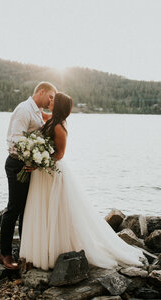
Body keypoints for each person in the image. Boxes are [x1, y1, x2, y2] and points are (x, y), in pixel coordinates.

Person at [19, 92, 145, 271]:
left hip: (52, 173)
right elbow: (37, 115)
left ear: (59, 105)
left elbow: (60, 154)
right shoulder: (51, 119)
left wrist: (39, 162)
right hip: (43, 173)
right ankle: (43, 248)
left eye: (53, 100)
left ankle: (58, 250)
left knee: (57, 212)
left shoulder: (59, 127)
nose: (50, 101)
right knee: (44, 208)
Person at [0, 81, 57, 269]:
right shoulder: (24, 110)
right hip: (18, 164)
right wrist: (32, 158)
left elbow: (56, 118)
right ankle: (5, 254)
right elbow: (16, 139)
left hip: (28, 166)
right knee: (14, 208)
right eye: (50, 96)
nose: (51, 100)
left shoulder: (36, 111)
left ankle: (25, 251)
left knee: (27, 209)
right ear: (40, 92)